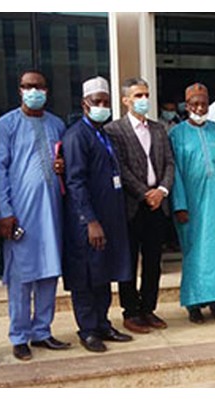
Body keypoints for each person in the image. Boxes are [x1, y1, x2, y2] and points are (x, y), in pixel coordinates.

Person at [0, 70, 70, 361]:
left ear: (47, 91)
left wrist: (61, 166)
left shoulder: (57, 124)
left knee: (49, 271)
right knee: (21, 277)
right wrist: (4, 212)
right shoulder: (6, 125)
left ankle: (42, 331)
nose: (33, 91)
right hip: (20, 213)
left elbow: (63, 161)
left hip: (52, 210)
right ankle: (19, 335)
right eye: (28, 86)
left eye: (38, 86)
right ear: (20, 90)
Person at [62, 76, 133, 352]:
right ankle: (88, 330)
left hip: (109, 216)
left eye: (105, 102)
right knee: (85, 276)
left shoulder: (104, 134)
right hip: (87, 221)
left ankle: (103, 323)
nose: (102, 106)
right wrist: (90, 221)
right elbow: (75, 182)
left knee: (104, 274)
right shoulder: (76, 136)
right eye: (97, 102)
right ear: (84, 104)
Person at [104, 78, 175, 334]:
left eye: (146, 94)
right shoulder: (114, 130)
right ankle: (131, 311)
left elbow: (169, 163)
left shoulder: (159, 129)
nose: (144, 99)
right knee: (130, 261)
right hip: (132, 206)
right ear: (126, 100)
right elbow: (120, 168)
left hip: (157, 205)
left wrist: (162, 191)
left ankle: (148, 309)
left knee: (154, 261)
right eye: (138, 96)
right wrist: (145, 193)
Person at [169, 83, 215, 324]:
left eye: (203, 104)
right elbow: (174, 172)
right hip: (191, 207)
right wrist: (179, 205)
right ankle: (194, 305)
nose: (199, 108)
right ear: (187, 106)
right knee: (195, 255)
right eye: (194, 104)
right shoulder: (176, 134)